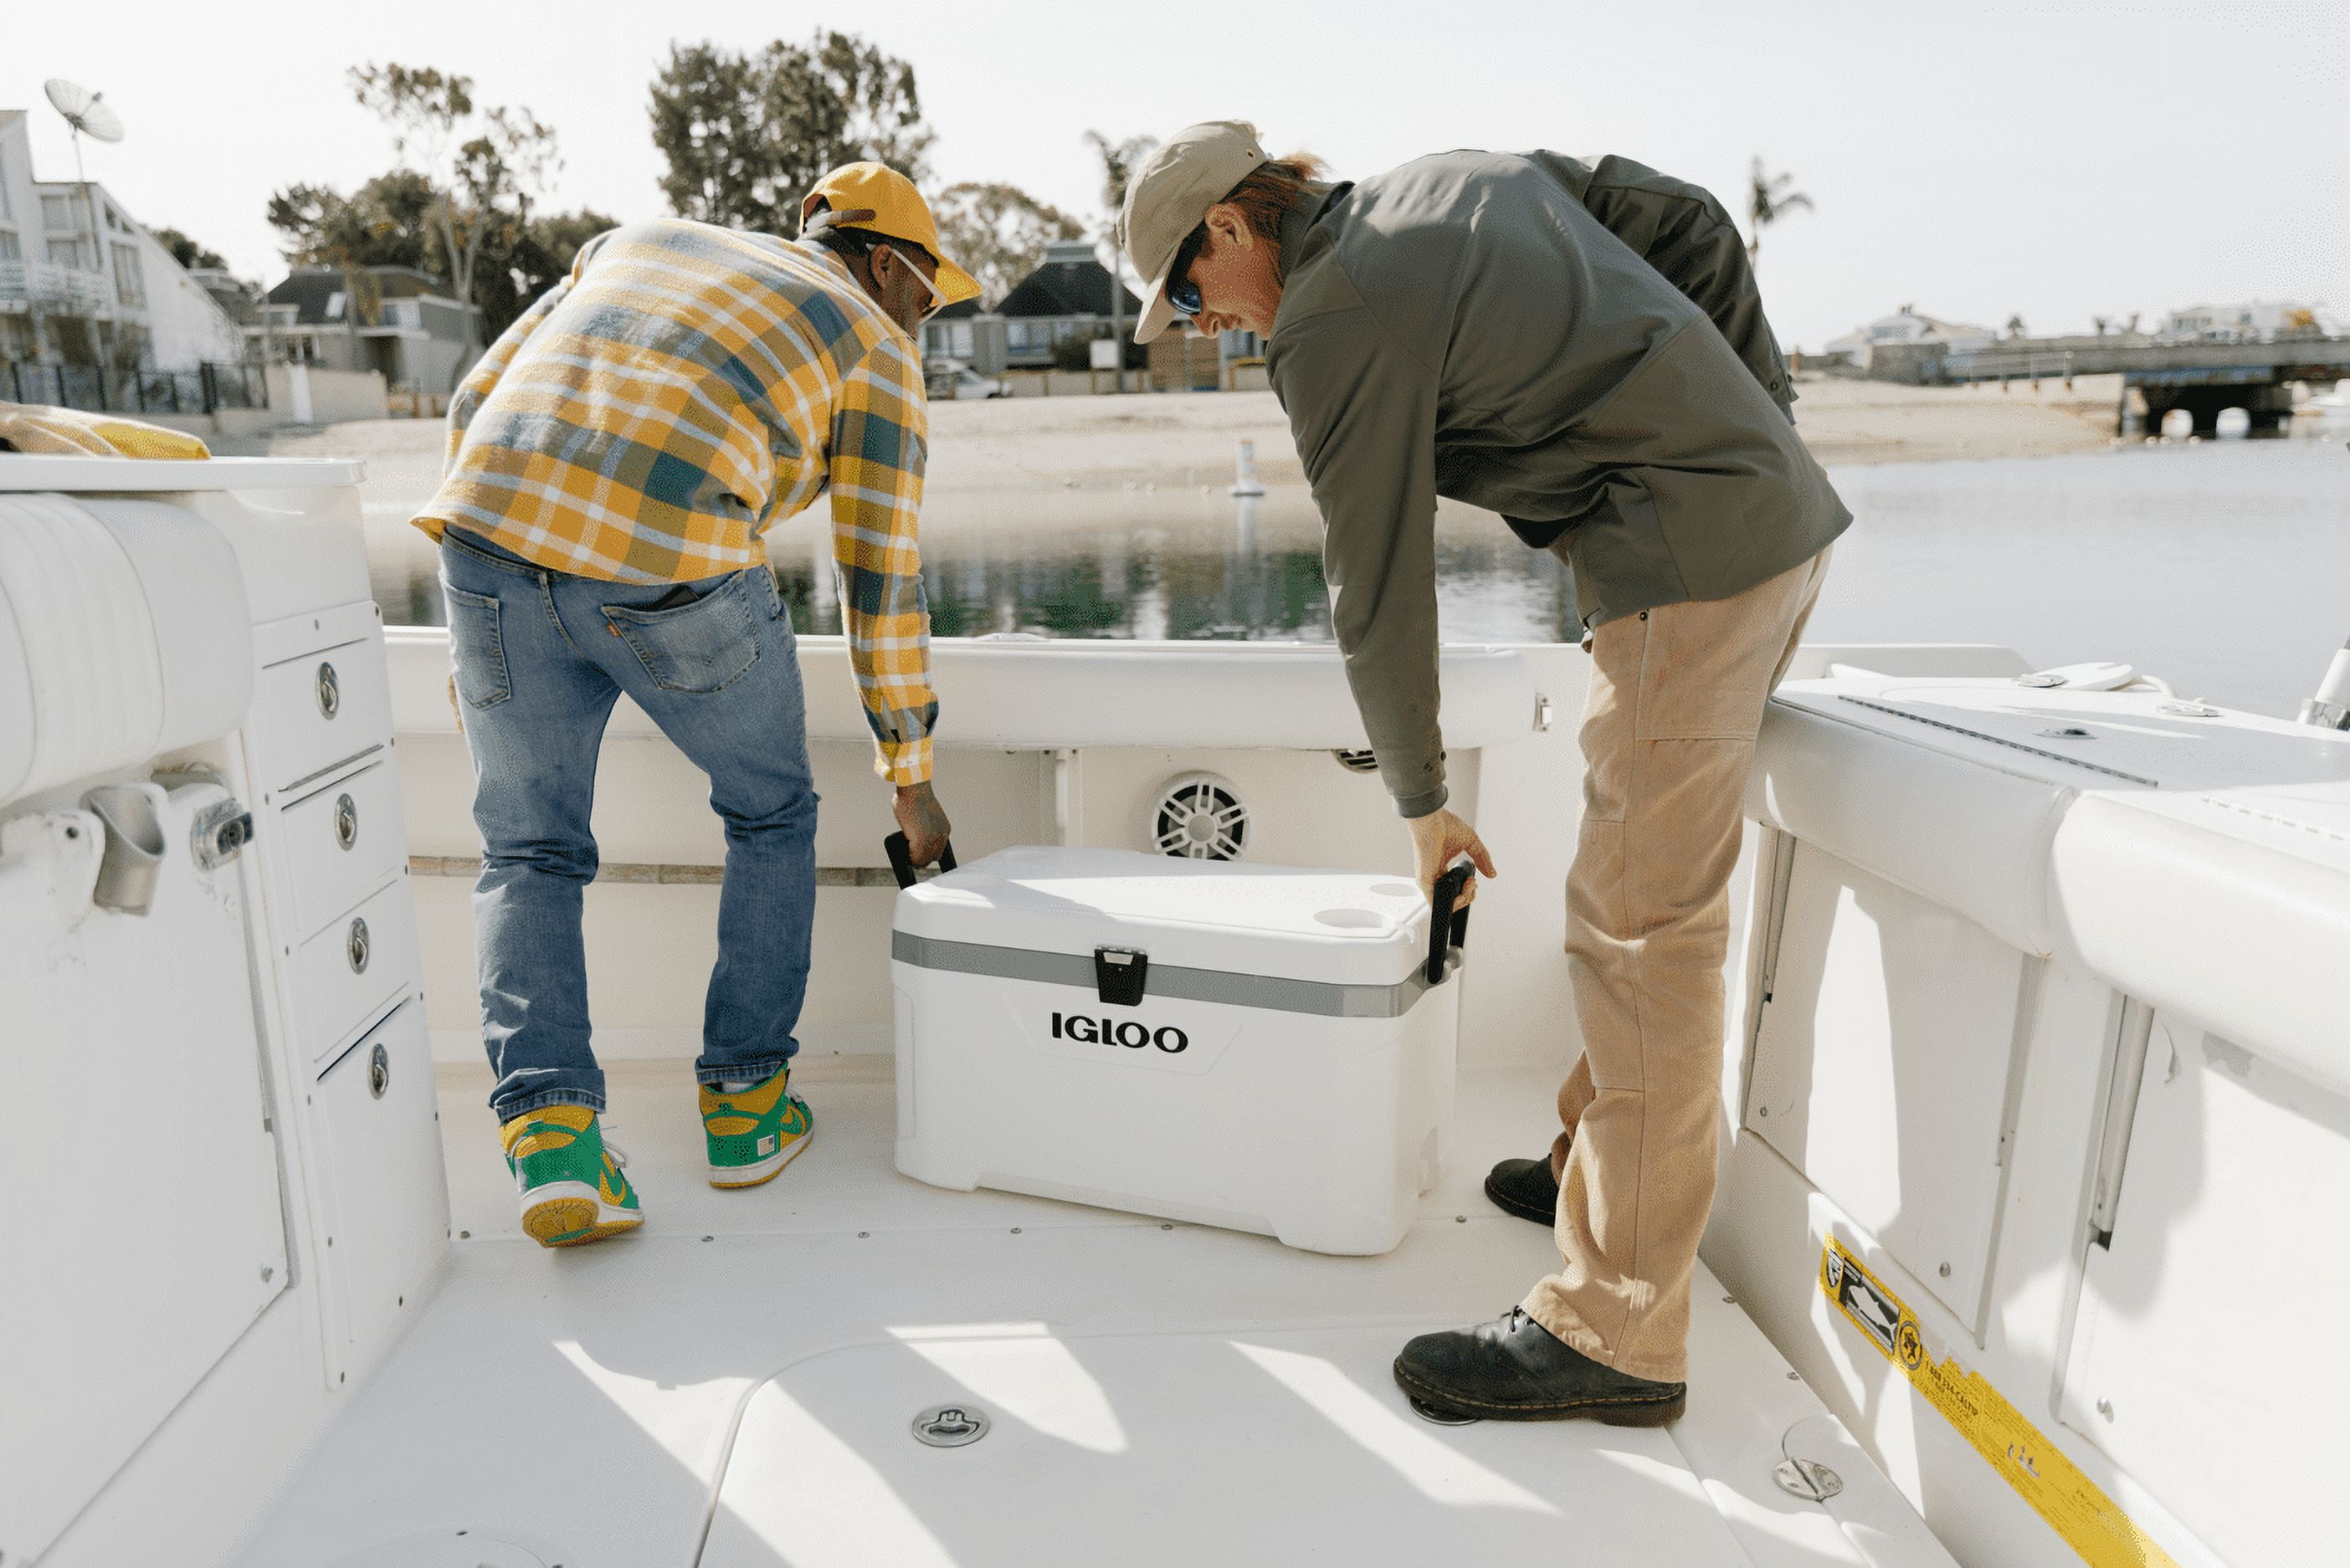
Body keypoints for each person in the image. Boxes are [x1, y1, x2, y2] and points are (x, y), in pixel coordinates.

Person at [1120, 122, 1849, 1422]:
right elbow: (1689, 221)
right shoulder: (1447, 180)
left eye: (1185, 290)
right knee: (1633, 883)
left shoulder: (1328, 318)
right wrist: (1760, 426)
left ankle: (1618, 1324)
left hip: (1688, 556)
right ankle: (1589, 1154)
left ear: (1232, 228)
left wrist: (1419, 800)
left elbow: (1376, 581)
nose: (1195, 322)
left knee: (1639, 930)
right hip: (1760, 528)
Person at [412, 163, 973, 1248]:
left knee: (526, 849)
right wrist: (913, 778)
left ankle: (557, 1144)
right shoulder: (875, 344)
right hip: (673, 563)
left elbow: (477, 396)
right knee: (772, 813)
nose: (928, 319)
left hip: (485, 535)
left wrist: (472, 633)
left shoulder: (642, 239)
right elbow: (880, 579)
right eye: (931, 295)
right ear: (892, 265)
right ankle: (748, 1109)